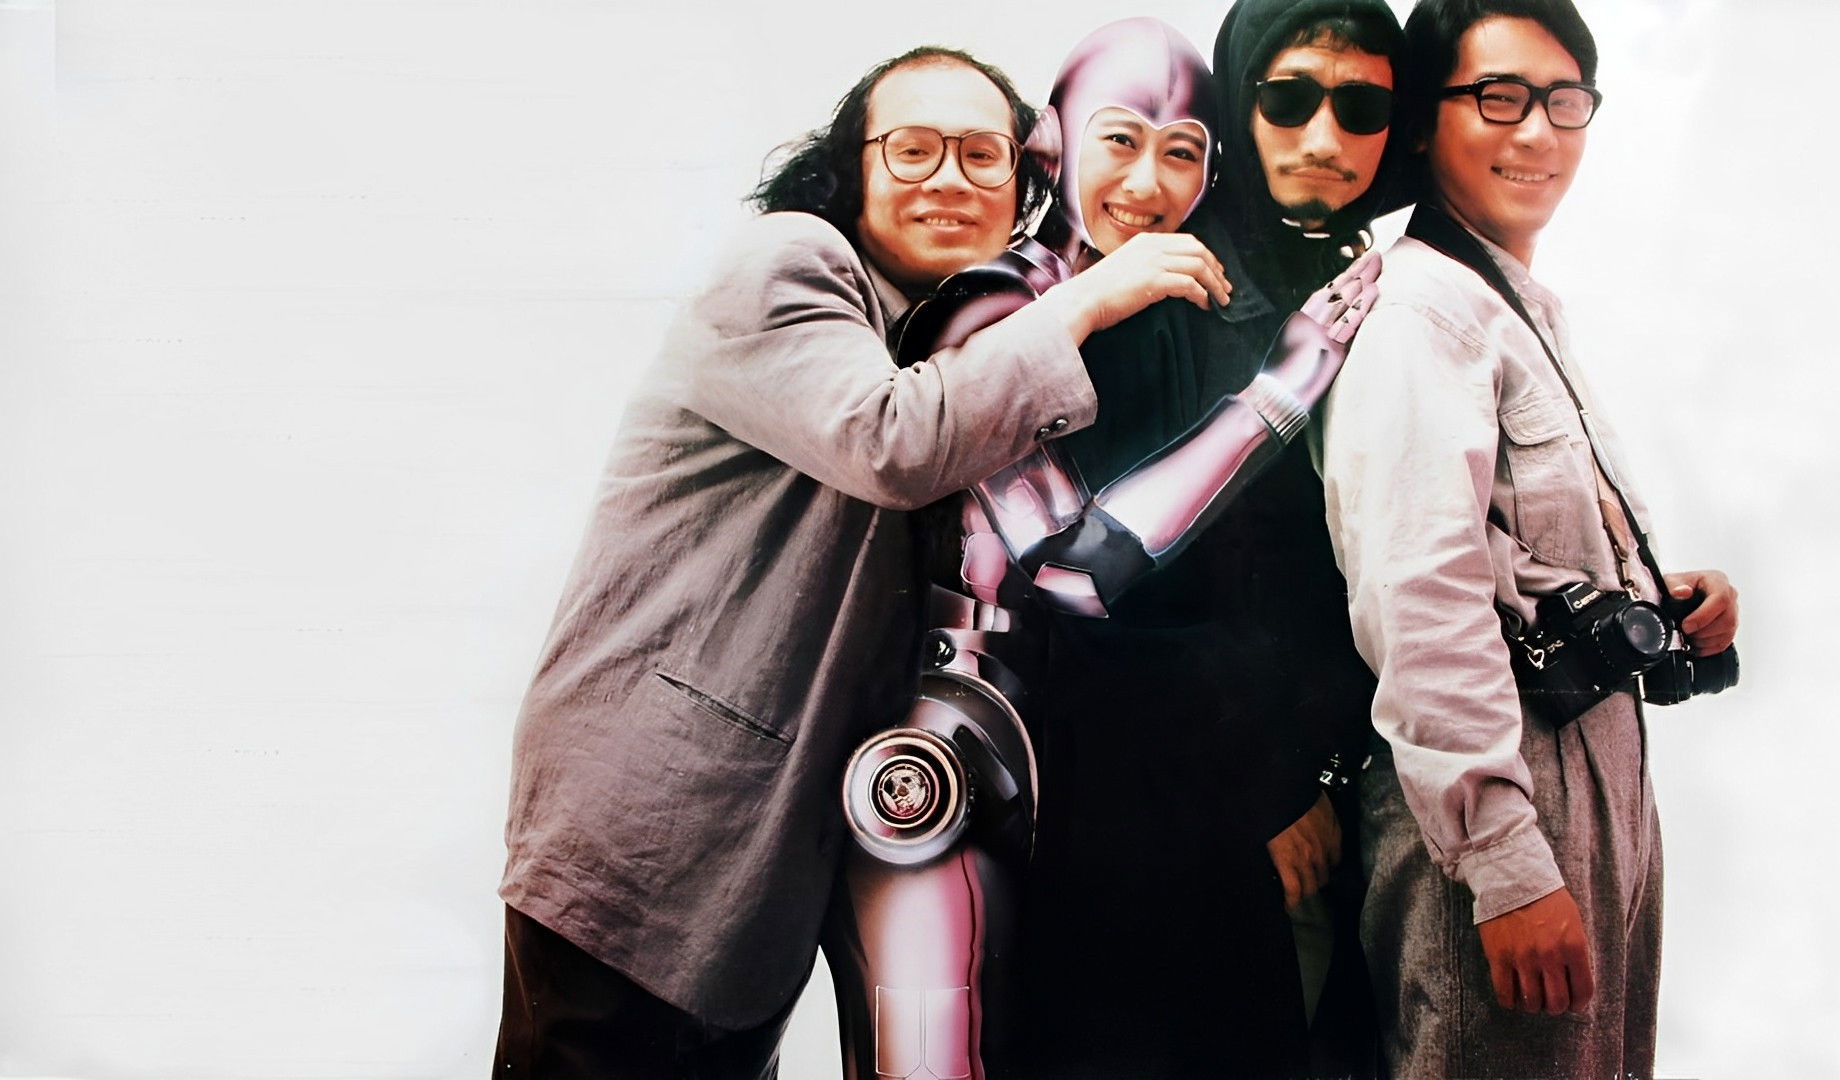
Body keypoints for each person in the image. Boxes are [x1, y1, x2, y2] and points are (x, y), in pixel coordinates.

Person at [492, 45, 1237, 1079]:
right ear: (852, 167)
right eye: (914, 149)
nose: (950, 179)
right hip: (651, 826)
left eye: (982, 155)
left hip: (755, 857)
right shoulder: (790, 262)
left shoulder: (937, 320)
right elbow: (893, 442)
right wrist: (1089, 301)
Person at [824, 20, 1379, 1080]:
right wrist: (1283, 388)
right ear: (1056, 143)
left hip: (1121, 782)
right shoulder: (992, 303)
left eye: (1181, 151)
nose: (1147, 183)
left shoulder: (1165, 308)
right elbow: (1076, 570)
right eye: (1119, 139)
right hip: (966, 746)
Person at [1319, 1, 1741, 1076]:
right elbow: (1418, 596)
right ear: (1425, 124)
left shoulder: (1501, 301)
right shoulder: (1422, 318)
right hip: (1507, 809)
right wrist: (1505, 866)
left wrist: (1648, 589)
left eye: (1564, 101)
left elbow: (1504, 547)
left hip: (1582, 791)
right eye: (1498, 98)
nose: (1538, 132)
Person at [1011, 2, 1409, 1076]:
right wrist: (1265, 786)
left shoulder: (1357, 273)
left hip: (1346, 779)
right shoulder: (1163, 280)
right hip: (1193, 816)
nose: (1323, 135)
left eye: (1360, 107)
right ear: (1240, 102)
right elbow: (1096, 591)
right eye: (1289, 97)